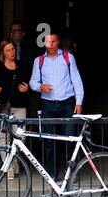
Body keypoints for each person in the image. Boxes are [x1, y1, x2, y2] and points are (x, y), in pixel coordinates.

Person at [29, 31, 85, 179]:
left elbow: (76, 80)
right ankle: (52, 174)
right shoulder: (39, 60)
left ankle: (70, 173)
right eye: (48, 42)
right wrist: (41, 87)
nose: (51, 45)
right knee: (49, 140)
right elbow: (32, 82)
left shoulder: (68, 57)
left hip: (67, 102)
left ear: (58, 42)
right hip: (48, 103)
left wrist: (79, 101)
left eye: (54, 42)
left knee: (70, 138)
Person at [0, 39, 30, 154]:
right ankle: (8, 170)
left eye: (13, 49)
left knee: (20, 137)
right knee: (3, 138)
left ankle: (14, 161)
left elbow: (30, 83)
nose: (12, 52)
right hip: (1, 106)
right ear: (2, 53)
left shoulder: (22, 66)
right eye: (8, 50)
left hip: (19, 106)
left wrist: (27, 88)